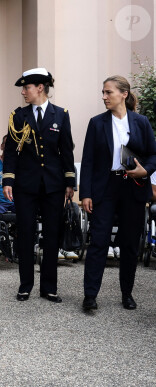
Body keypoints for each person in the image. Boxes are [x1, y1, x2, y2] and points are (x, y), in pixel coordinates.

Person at [80, 75, 156, 311]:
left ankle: (127, 294)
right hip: (105, 188)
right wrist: (86, 194)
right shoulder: (96, 123)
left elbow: (153, 154)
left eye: (108, 92)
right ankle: (90, 296)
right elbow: (89, 160)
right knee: (98, 242)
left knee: (131, 243)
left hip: (133, 188)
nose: (104, 97)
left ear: (123, 94)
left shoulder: (141, 122)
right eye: (103, 93)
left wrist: (145, 171)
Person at [3, 67, 76, 303]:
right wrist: (8, 180)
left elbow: (66, 151)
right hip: (25, 185)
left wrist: (70, 182)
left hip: (54, 185)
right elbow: (12, 153)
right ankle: (25, 285)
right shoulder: (18, 115)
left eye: (27, 87)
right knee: (25, 234)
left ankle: (49, 287)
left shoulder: (61, 115)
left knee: (52, 235)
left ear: (40, 88)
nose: (23, 92)